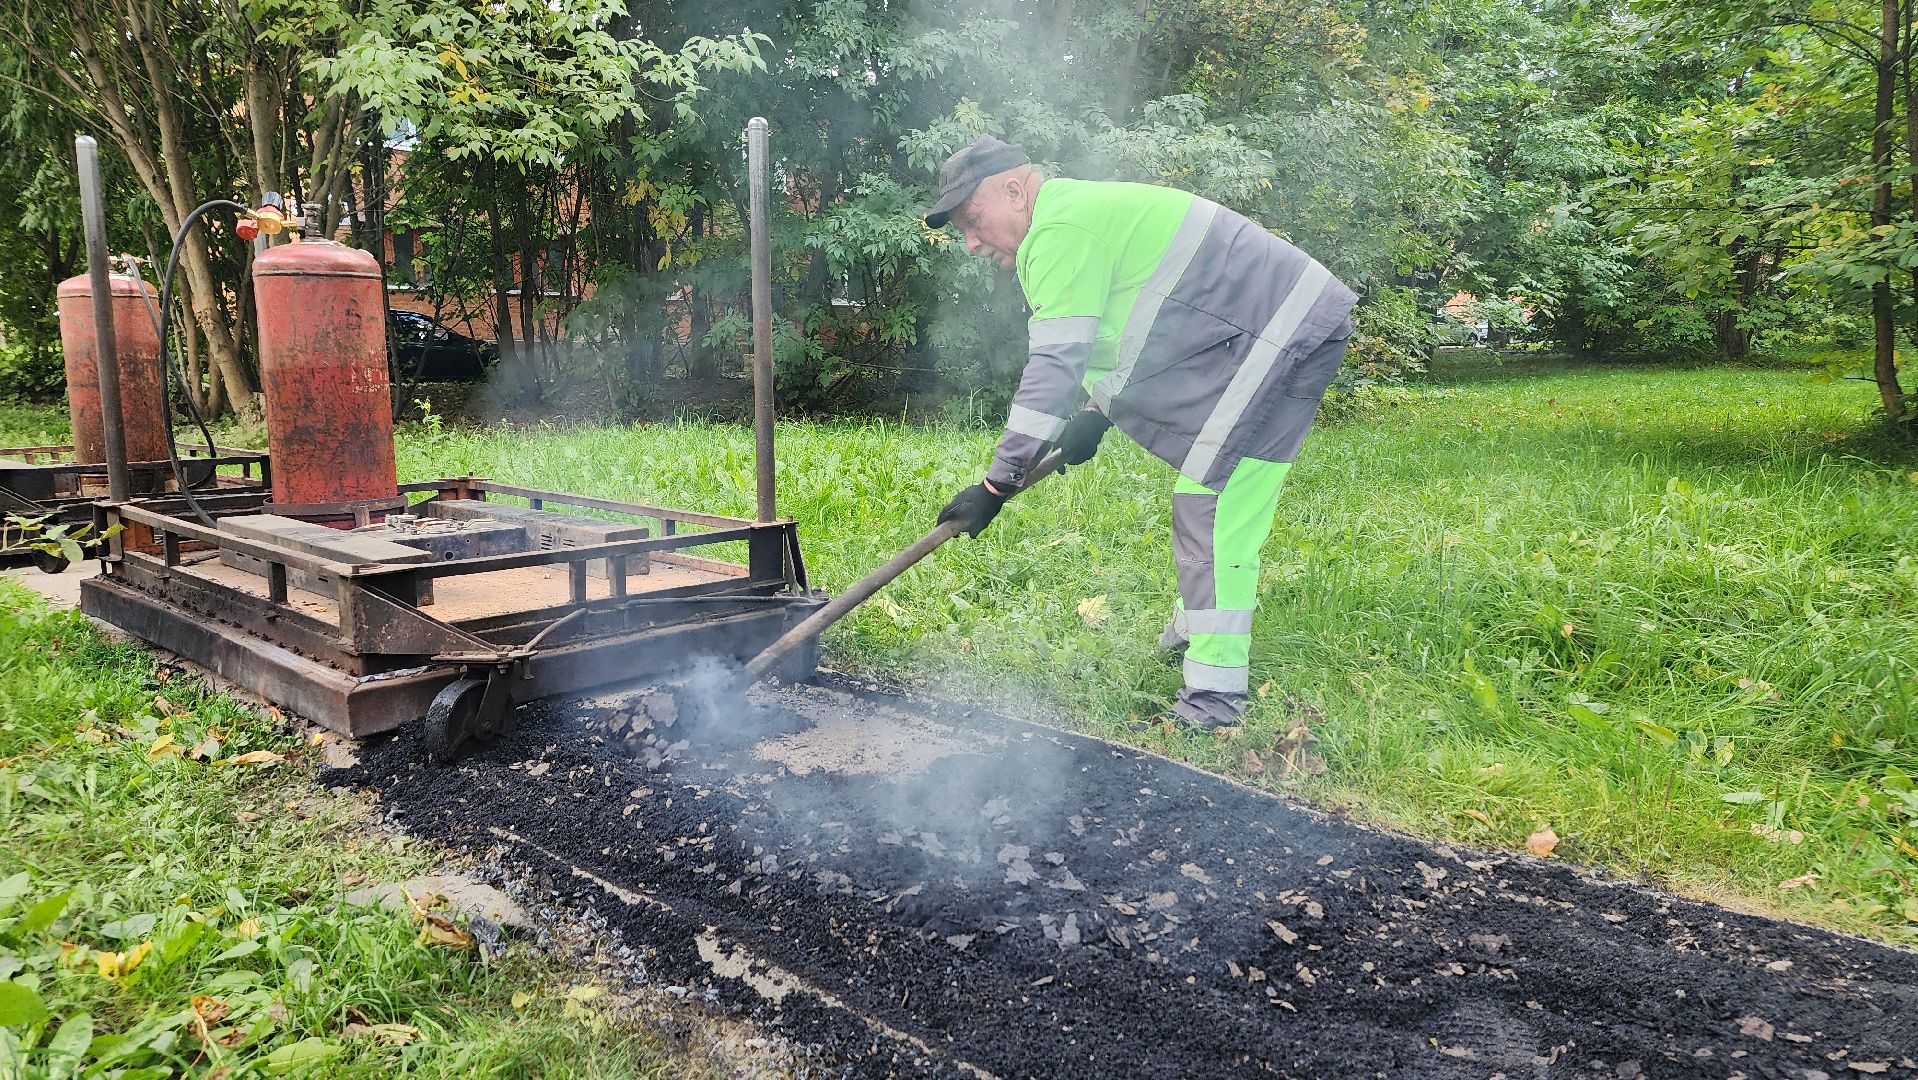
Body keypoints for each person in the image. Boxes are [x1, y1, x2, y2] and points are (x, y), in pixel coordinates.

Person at [925, 136, 1357, 735]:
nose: (971, 241)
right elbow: (1135, 333)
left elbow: (1055, 366)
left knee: (1210, 501)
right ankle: (1196, 630)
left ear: (1015, 189)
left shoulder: (1059, 231)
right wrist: (1093, 416)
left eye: (973, 220)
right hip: (1287, 324)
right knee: (1216, 494)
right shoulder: (1072, 218)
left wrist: (996, 485)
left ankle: (1214, 700)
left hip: (1280, 331)